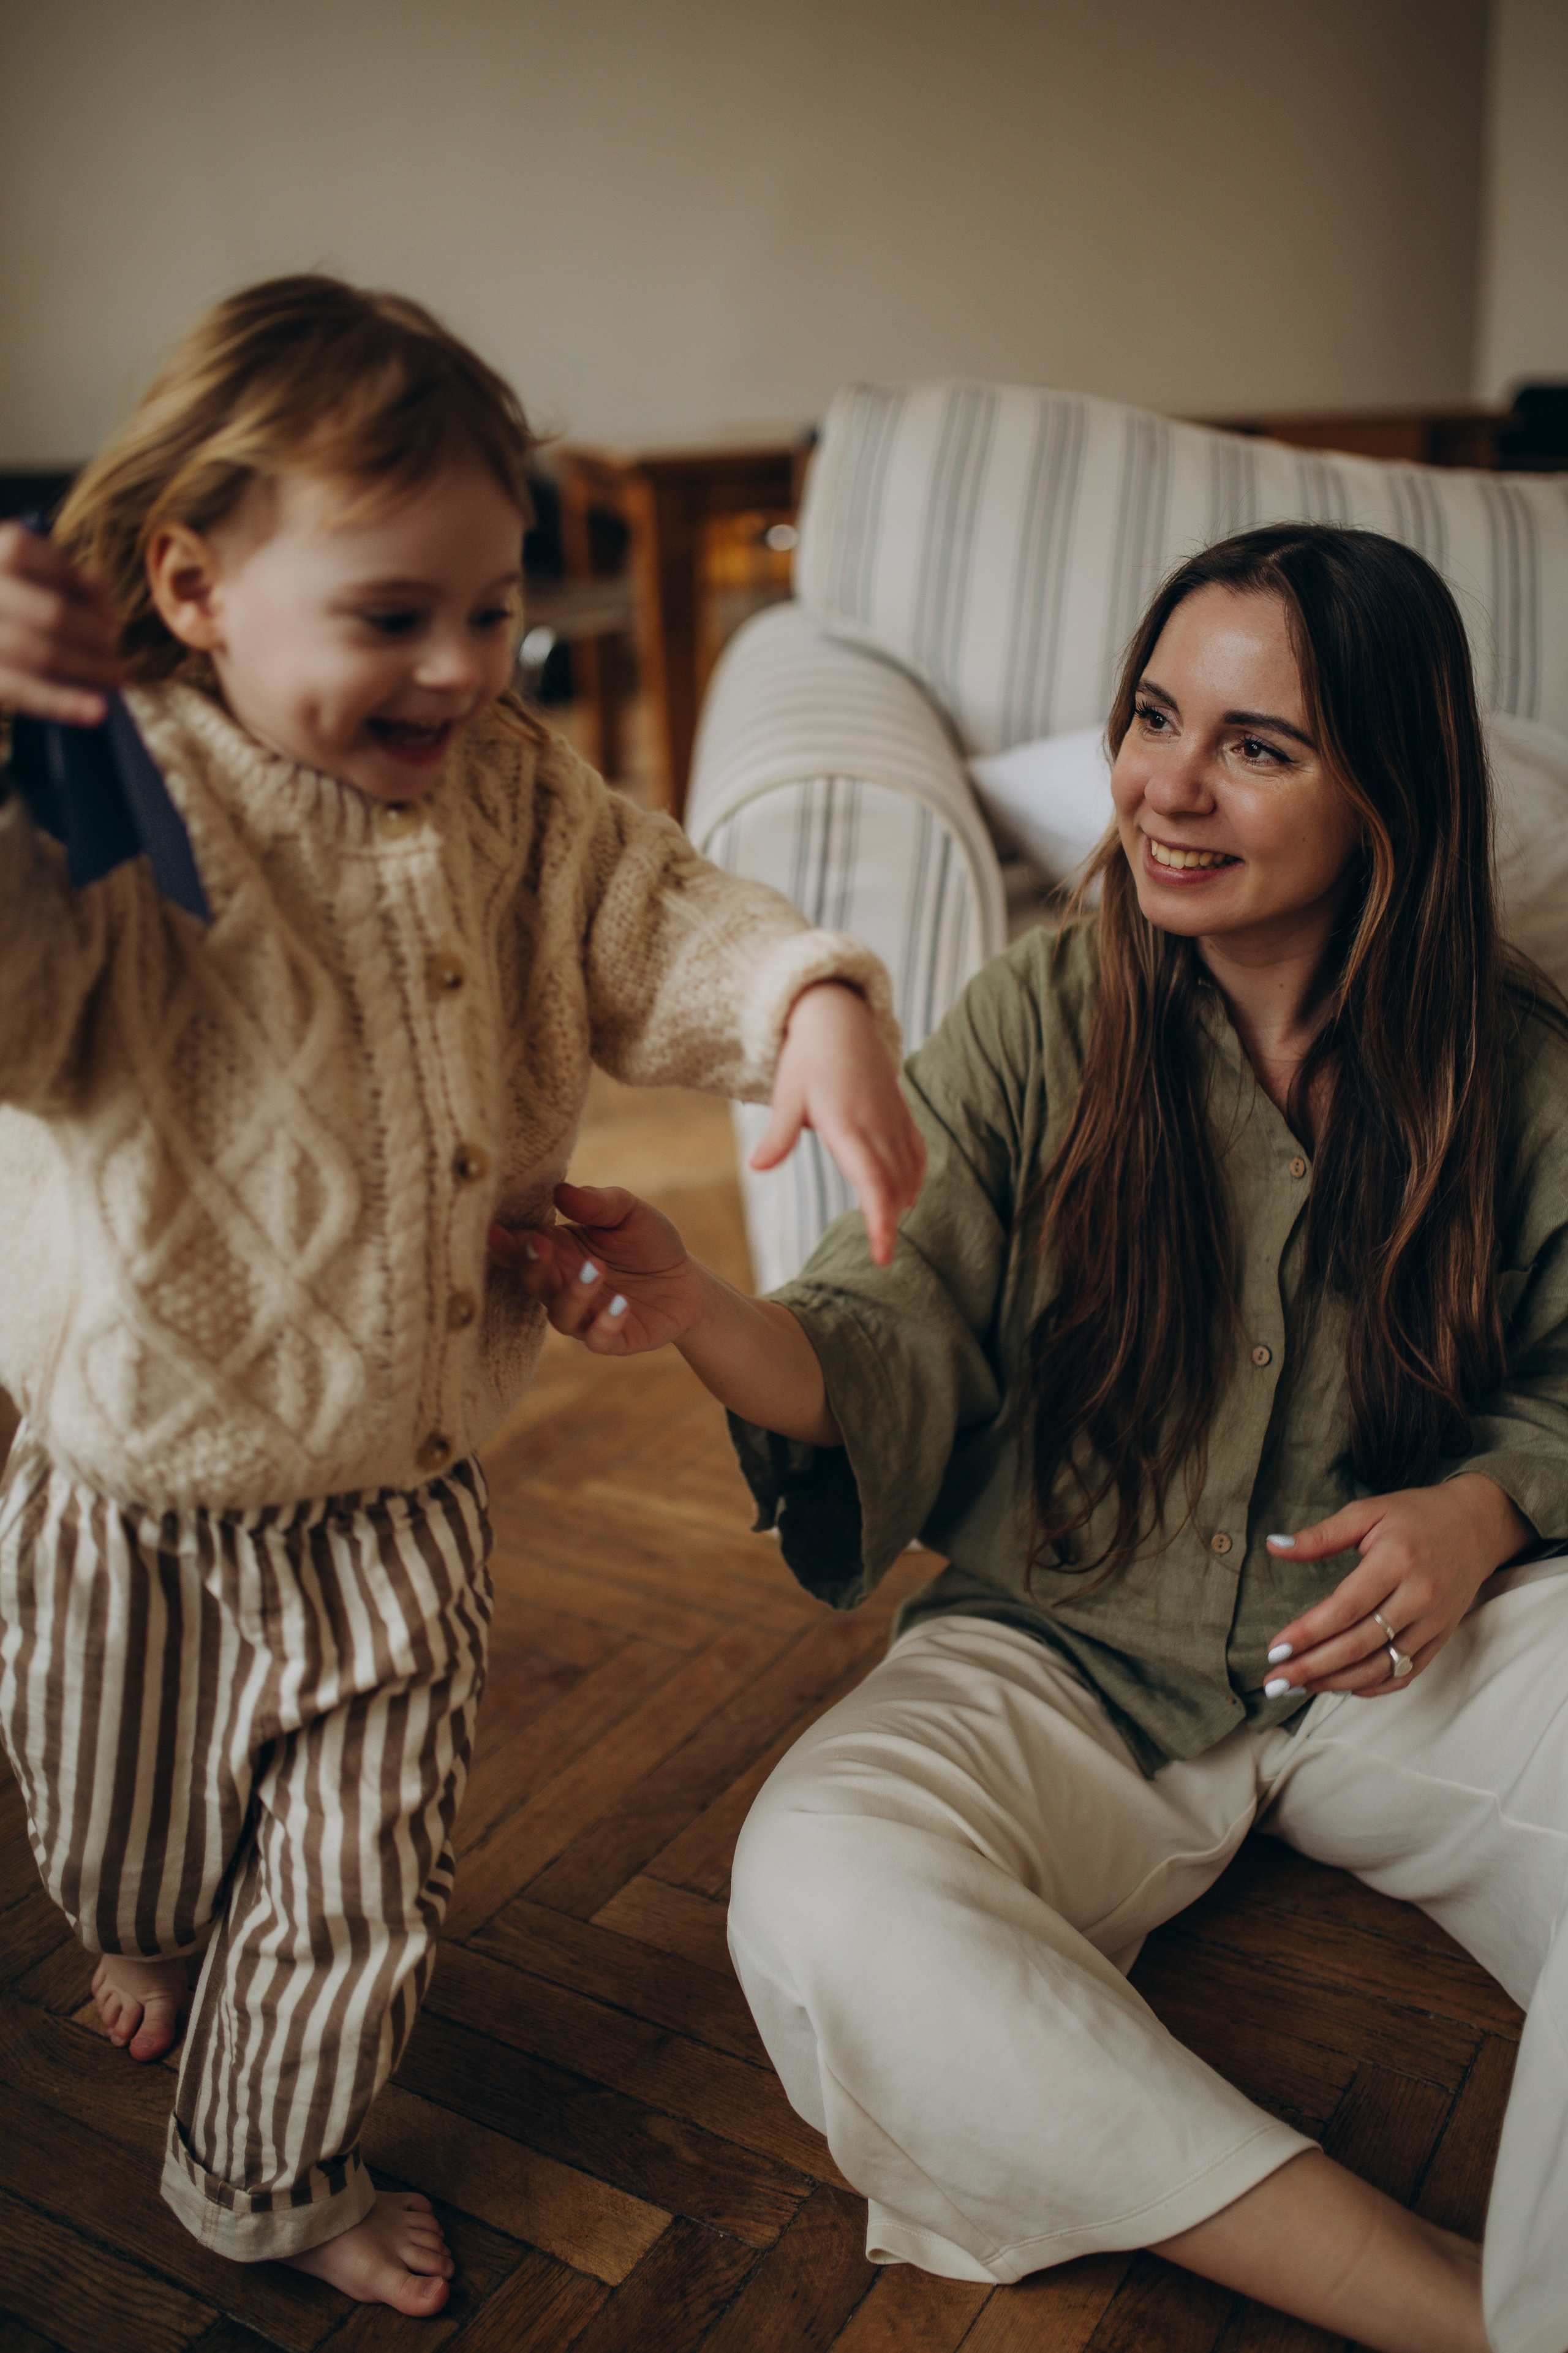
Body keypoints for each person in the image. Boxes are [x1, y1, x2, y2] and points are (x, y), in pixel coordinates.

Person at [499, 522, 1568, 2353]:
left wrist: (1479, 1508)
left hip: (1400, 1647)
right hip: (1064, 1640)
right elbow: (880, 1330)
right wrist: (701, 1314)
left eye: (1255, 744)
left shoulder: (1520, 1061)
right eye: (1153, 716)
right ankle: (1466, 2316)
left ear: (1388, 790)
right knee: (825, 1890)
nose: (1168, 784)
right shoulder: (1033, 1018)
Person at [0, 274, 924, 2317]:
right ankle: (144, 1933)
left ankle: (264, 2164)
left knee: (360, 1880)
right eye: (392, 614)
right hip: (134, 1481)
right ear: (196, 583)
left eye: (494, 608)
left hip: (404, 1480)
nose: (462, 664)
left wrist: (809, 1001)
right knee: (121, 1834)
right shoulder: (113, 792)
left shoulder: (514, 785)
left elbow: (658, 912)